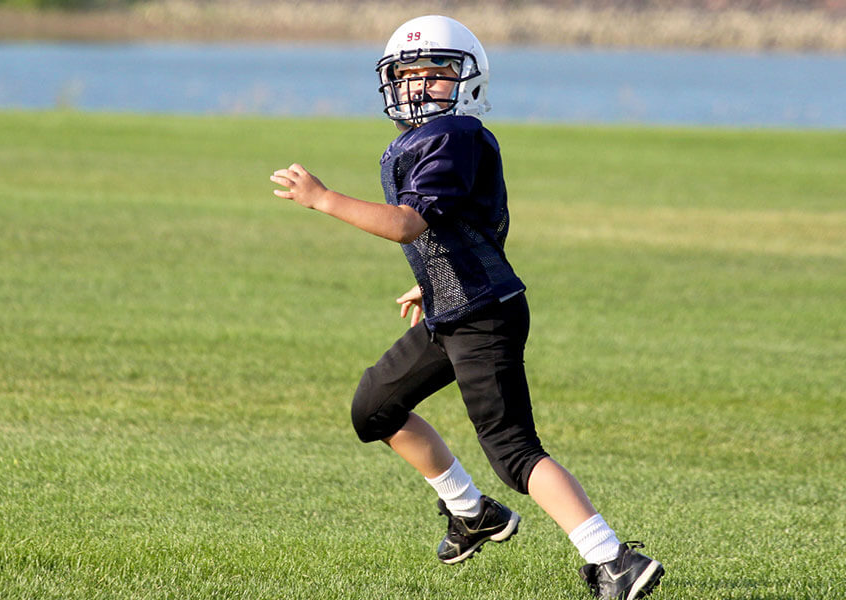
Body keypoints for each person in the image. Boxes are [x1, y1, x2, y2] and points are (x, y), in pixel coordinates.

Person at [268, 15, 665, 600]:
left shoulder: (454, 134)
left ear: (468, 80)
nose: (421, 84)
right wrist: (432, 283)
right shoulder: (434, 138)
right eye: (410, 73)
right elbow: (467, 229)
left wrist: (324, 199)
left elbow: (409, 225)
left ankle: (615, 561)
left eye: (437, 73)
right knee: (374, 409)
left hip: (482, 316)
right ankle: (472, 513)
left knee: (513, 451)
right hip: (454, 309)